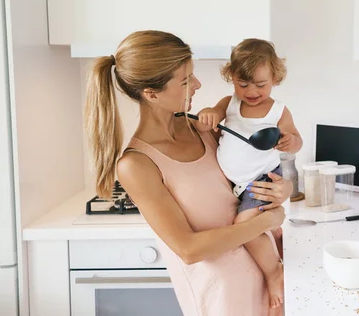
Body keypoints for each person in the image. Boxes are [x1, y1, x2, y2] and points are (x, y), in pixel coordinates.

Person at [84, 30, 292, 316]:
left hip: (272, 284)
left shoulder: (202, 128)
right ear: (151, 93)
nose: (197, 84)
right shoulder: (137, 164)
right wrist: (267, 220)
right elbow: (189, 249)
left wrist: (283, 190)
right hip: (226, 300)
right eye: (185, 80)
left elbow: (251, 178)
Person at [196, 38, 302, 309]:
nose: (252, 91)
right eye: (243, 84)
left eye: (260, 84)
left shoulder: (278, 110)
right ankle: (272, 240)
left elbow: (296, 139)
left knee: (244, 226)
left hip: (263, 178)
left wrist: (290, 140)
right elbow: (212, 115)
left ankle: (273, 271)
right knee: (247, 225)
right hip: (239, 184)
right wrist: (209, 114)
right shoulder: (229, 104)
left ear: (275, 79)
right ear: (232, 78)